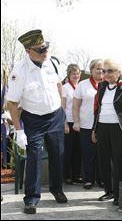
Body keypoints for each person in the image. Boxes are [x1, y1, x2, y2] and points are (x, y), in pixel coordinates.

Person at [7, 29, 67, 215]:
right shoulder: (19, 71)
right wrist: (19, 131)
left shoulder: (52, 63)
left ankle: (57, 189)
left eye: (46, 48)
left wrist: (62, 110)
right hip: (33, 120)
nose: (44, 52)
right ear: (28, 51)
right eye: (40, 50)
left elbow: (58, 84)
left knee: (58, 154)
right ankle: (31, 199)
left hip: (55, 116)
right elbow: (13, 103)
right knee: (34, 158)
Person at [92, 59, 122, 206]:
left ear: (118, 72)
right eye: (104, 71)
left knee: (121, 161)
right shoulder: (101, 85)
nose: (105, 74)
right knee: (104, 160)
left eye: (110, 71)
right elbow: (98, 109)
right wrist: (94, 129)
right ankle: (109, 191)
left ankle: (121, 194)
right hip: (102, 127)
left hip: (120, 128)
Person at [72, 59, 103, 190]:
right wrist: (76, 122)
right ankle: (88, 179)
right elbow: (75, 105)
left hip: (103, 126)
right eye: (98, 69)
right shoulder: (83, 85)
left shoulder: (108, 84)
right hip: (86, 125)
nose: (101, 71)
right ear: (91, 70)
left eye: (103, 69)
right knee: (88, 153)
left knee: (102, 154)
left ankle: (102, 179)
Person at [62, 64, 82, 184]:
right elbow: (63, 107)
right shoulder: (65, 88)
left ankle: (77, 175)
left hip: (80, 122)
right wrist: (64, 124)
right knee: (68, 150)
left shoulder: (81, 86)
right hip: (68, 121)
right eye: (73, 73)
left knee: (78, 150)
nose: (76, 75)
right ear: (69, 74)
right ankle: (67, 175)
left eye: (78, 73)